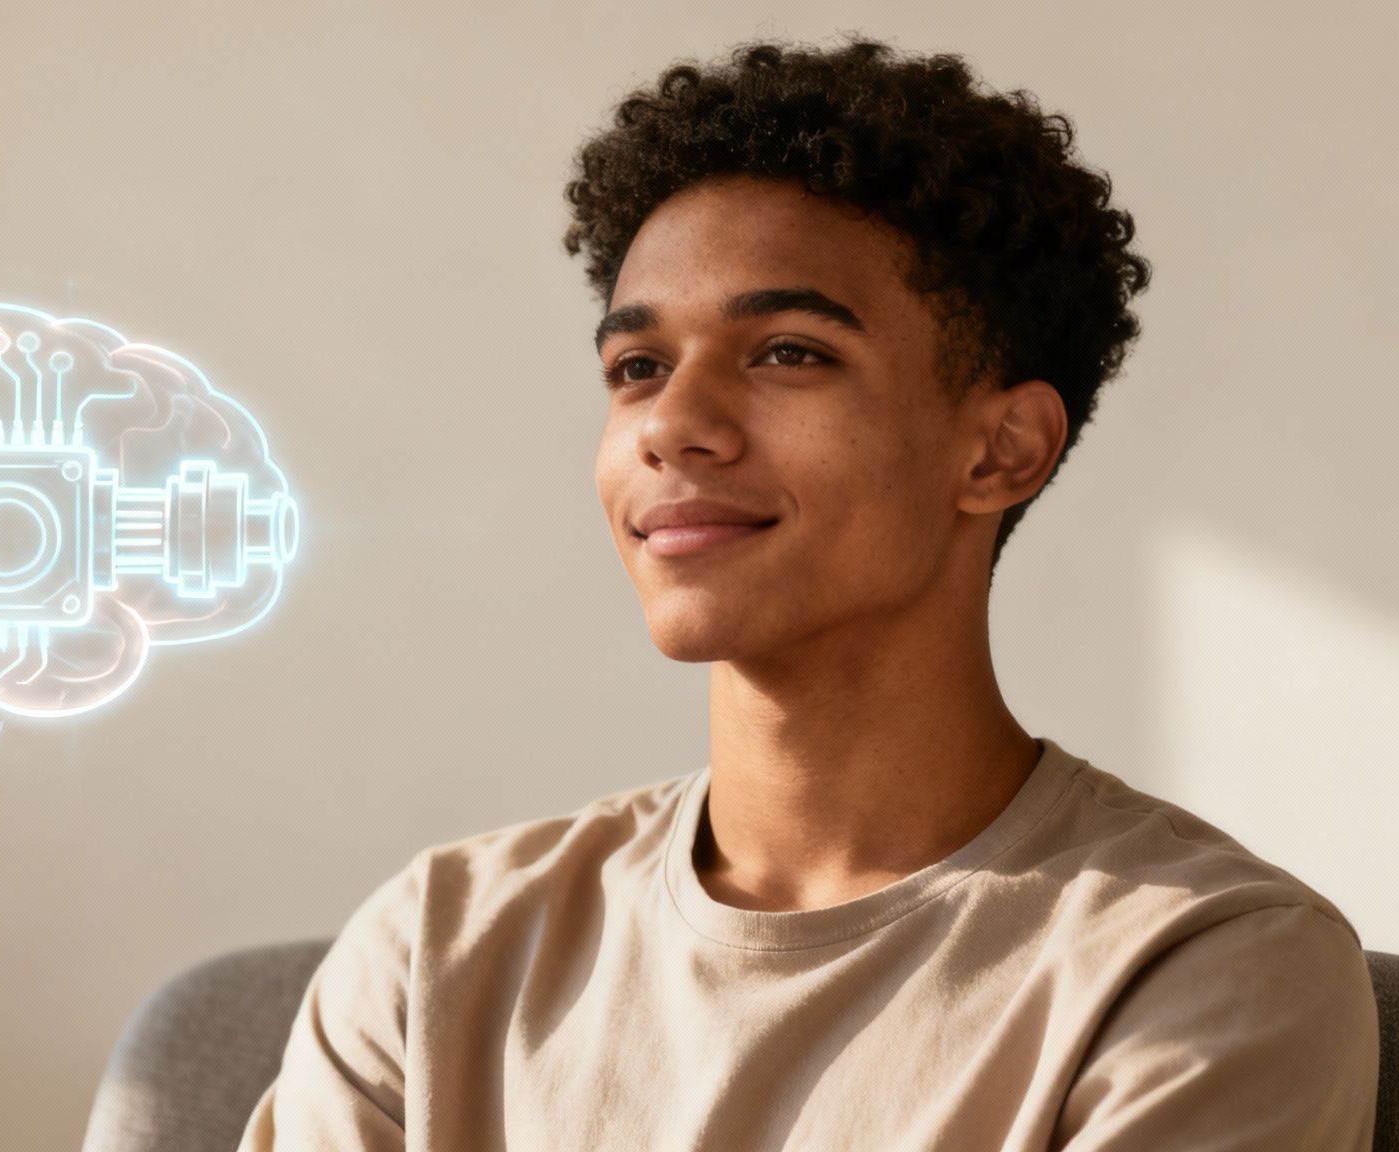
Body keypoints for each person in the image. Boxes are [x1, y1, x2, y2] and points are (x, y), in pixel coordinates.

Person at [237, 36, 1379, 1151]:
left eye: (786, 352)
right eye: (636, 367)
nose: (670, 426)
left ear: (1000, 450)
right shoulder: (436, 947)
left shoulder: (1202, 967)